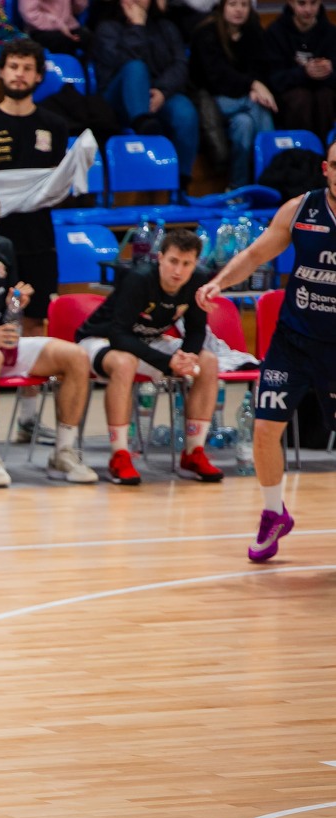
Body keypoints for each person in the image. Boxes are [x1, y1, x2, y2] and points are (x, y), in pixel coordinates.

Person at [197, 137, 336, 560]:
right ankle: (274, 514)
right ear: (325, 169)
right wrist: (219, 283)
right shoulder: (300, 210)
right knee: (264, 429)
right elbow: (255, 254)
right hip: (293, 341)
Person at [0, 189, 98, 488]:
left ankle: (63, 453)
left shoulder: (4, 247)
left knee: (76, 356)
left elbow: (7, 305)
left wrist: (16, 303)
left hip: (2, 341)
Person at [0, 37, 75, 441]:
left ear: (39, 76)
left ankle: (28, 419)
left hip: (39, 238)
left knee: (35, 320)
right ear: (1, 71)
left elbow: (58, 186)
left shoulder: (55, 126)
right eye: (13, 66)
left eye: (27, 68)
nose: (19, 74)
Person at [75, 227, 225, 486]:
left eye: (186, 264)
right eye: (173, 261)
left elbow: (196, 330)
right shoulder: (139, 278)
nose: (178, 271)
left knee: (208, 361)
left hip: (148, 340)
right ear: (160, 258)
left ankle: (193, 453)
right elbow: (119, 334)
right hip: (100, 339)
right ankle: (120, 456)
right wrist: (167, 362)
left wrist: (187, 356)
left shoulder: (198, 280)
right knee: (124, 362)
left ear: (195, 264)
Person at [91, 0, 199, 190]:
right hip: (117, 99)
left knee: (185, 111)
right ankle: (142, 123)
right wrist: (137, 27)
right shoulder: (107, 29)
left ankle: (181, 182)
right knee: (135, 67)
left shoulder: (166, 27)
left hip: (157, 94)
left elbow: (180, 64)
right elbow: (121, 64)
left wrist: (162, 92)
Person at [189, 0, 275, 190]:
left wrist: (253, 87)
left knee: (244, 124)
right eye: (233, 4)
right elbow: (216, 79)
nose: (239, 10)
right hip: (211, 102)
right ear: (222, 7)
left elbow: (262, 68)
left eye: (244, 5)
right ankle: (269, 181)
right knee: (259, 105)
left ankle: (238, 187)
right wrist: (252, 86)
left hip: (244, 101)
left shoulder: (253, 32)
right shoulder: (205, 33)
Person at [264, 0, 336, 141]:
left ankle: (327, 149)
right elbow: (272, 79)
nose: (308, 10)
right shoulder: (275, 32)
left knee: (325, 97)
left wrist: (329, 71)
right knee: (301, 98)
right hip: (290, 101)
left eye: (313, 3)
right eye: (302, 3)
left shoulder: (331, 33)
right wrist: (303, 73)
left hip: (324, 96)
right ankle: (302, 149)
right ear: (291, 3)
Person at [20, 0, 91, 56]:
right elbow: (30, 14)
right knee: (62, 42)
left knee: (87, 38)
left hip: (69, 25)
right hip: (41, 28)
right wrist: (59, 25)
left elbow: (77, 9)